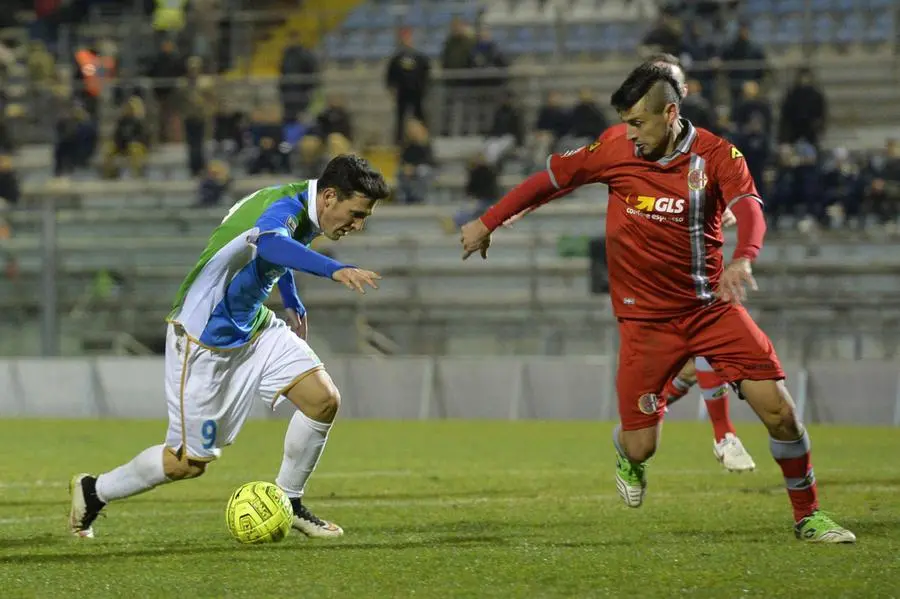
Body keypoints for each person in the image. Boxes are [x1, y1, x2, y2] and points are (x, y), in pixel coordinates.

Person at [459, 64, 855, 543]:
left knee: (782, 413)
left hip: (710, 308)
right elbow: (549, 179)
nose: (630, 134)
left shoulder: (716, 155)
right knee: (643, 446)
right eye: (625, 123)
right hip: (644, 323)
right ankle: (627, 452)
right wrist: (488, 221)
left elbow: (750, 207)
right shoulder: (614, 148)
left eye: (638, 123)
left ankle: (808, 516)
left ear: (671, 113)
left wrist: (743, 259)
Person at [69, 155, 391, 539]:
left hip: (253, 327)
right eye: (356, 214)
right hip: (205, 339)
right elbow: (272, 246)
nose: (358, 225)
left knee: (323, 400)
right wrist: (334, 269)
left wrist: (289, 297)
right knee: (186, 463)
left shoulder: (303, 208)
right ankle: (95, 491)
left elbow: (277, 250)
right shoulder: (283, 206)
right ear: (330, 196)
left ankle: (288, 501)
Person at [509, 53, 757, 473]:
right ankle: (701, 430)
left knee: (703, 354)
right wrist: (524, 208)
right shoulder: (624, 138)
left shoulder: (703, 140)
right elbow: (573, 175)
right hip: (648, 275)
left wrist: (723, 207)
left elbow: (725, 180)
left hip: (700, 261)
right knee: (695, 360)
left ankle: (719, 432)